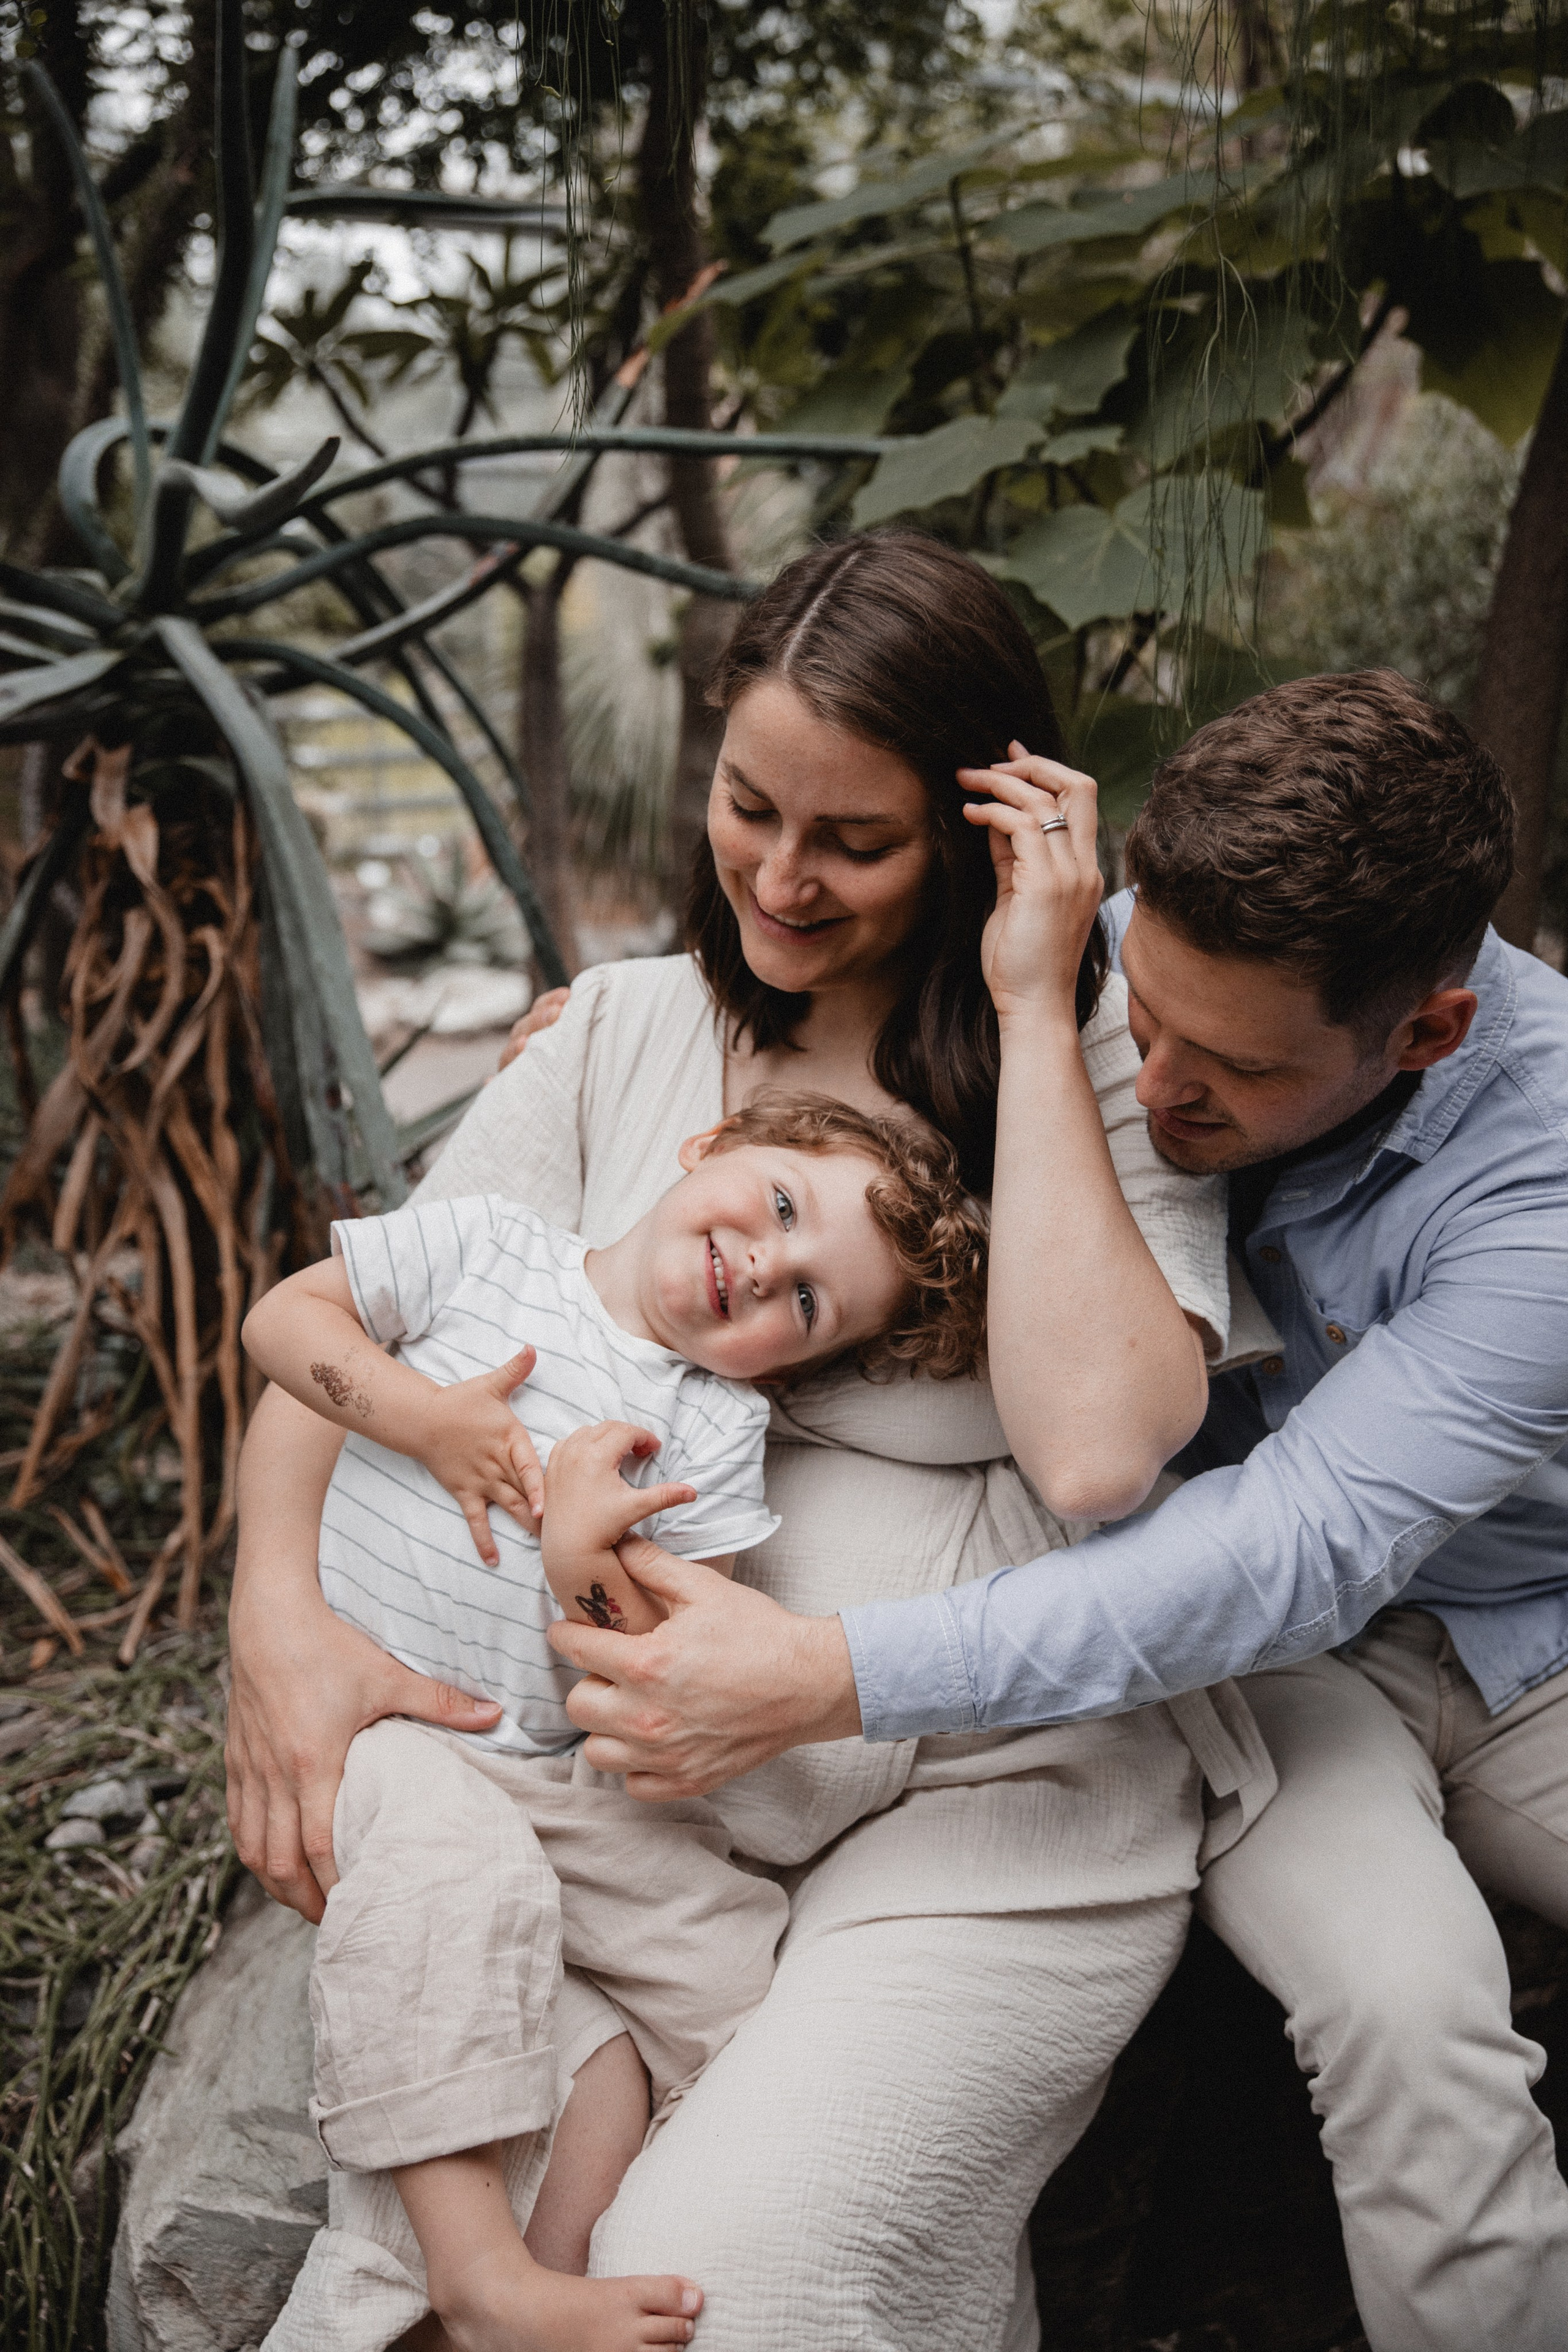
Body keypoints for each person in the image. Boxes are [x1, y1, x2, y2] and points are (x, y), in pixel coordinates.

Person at [225, 530, 1259, 2351]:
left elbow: (1102, 1456)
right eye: (747, 806)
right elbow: (354, 1339)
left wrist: (1037, 989)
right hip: (613, 1826)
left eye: (854, 839)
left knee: (732, 2289)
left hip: (988, 1804)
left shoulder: (1091, 1059)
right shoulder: (624, 1033)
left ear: (972, 828)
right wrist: (275, 1635)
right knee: (448, 2269)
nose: (781, 877)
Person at [537, 669, 1568, 2352]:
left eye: (1229, 1071)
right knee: (1412, 2011)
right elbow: (824, 962)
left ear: (1429, 1031)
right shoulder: (1105, 943)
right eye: (1142, 1019)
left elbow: (1295, 1552)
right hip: (1272, 1690)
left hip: (1527, 1642)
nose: (1155, 1093)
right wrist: (603, 1038)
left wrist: (829, 1672)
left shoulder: (1544, 1187)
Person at [241, 1094, 987, 2352]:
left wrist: (584, 1548)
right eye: (782, 1206)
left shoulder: (709, 1434)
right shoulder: (486, 1248)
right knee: (455, 1884)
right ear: (709, 1143)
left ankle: (532, 2286)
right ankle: (482, 2283)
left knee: (716, 1977)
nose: (763, 1264)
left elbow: (646, 1664)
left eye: (804, 1301)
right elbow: (282, 1321)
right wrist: (427, 1419)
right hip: (380, 1730)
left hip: (542, 1767)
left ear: (794, 1367)